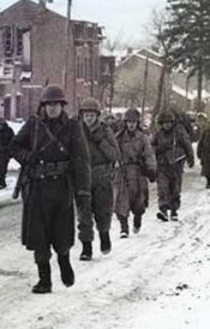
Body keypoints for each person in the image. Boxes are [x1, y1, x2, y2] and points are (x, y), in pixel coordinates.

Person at [10, 84, 91, 294]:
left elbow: (81, 159)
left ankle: (64, 262)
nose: (52, 108)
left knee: (62, 233)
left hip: (62, 186)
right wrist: (28, 157)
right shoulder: (34, 125)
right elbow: (14, 146)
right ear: (43, 106)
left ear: (62, 105)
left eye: (56, 104)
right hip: (37, 187)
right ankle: (44, 279)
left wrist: (82, 190)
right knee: (39, 236)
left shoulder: (73, 127)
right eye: (48, 104)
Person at [77, 97, 120, 260]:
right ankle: (86, 247)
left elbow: (115, 154)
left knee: (103, 210)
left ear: (97, 115)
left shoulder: (105, 130)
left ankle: (104, 235)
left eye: (92, 115)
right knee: (83, 214)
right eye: (86, 115)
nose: (88, 118)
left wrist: (101, 140)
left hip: (101, 175)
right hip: (82, 176)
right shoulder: (77, 130)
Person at [113, 108, 156, 238]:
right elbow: (113, 153)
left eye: (134, 122)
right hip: (123, 172)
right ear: (125, 122)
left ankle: (137, 218)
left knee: (139, 201)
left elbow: (149, 154)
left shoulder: (143, 138)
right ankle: (124, 227)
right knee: (121, 200)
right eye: (129, 122)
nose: (131, 124)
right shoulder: (119, 137)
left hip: (138, 172)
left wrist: (151, 169)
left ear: (138, 123)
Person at [152, 109, 195, 221]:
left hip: (176, 164)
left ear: (172, 122)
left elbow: (187, 144)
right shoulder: (158, 135)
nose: (167, 125)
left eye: (169, 123)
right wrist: (158, 149)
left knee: (175, 188)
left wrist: (190, 157)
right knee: (162, 188)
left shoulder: (179, 132)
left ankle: (174, 210)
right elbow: (151, 147)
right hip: (162, 165)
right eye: (164, 123)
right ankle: (163, 209)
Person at [197, 113, 210, 188]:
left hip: (206, 152)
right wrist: (199, 151)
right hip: (206, 152)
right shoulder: (206, 130)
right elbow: (201, 141)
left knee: (207, 168)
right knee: (207, 168)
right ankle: (208, 181)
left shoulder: (206, 129)